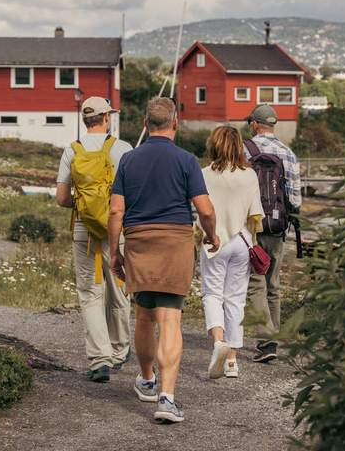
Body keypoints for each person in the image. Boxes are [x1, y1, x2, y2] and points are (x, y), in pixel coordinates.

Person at [108, 96, 219, 424]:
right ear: (174, 124)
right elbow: (206, 209)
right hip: (175, 243)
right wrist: (211, 236)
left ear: (145, 124)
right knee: (170, 320)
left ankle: (146, 380)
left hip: (139, 242)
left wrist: (115, 252)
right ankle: (167, 399)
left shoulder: (128, 160)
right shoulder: (186, 160)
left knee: (144, 317)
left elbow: (116, 210)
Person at [56, 96, 133, 383]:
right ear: (106, 118)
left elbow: (62, 198)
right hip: (119, 228)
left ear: (85, 119)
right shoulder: (123, 149)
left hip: (84, 230)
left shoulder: (72, 150)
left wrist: (85, 206)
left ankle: (99, 361)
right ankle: (119, 350)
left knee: (90, 294)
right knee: (119, 287)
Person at [196, 126, 264, 379]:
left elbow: (201, 211)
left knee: (212, 294)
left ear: (213, 144)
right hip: (242, 241)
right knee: (236, 298)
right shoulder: (249, 175)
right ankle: (232, 362)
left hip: (213, 240)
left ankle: (218, 343)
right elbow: (255, 214)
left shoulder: (203, 174)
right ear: (239, 146)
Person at [243, 104, 302, 363]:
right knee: (273, 286)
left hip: (251, 227)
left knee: (256, 282)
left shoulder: (243, 151)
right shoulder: (288, 154)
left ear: (254, 124)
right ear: (273, 125)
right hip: (278, 228)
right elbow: (296, 201)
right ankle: (273, 340)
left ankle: (265, 341)